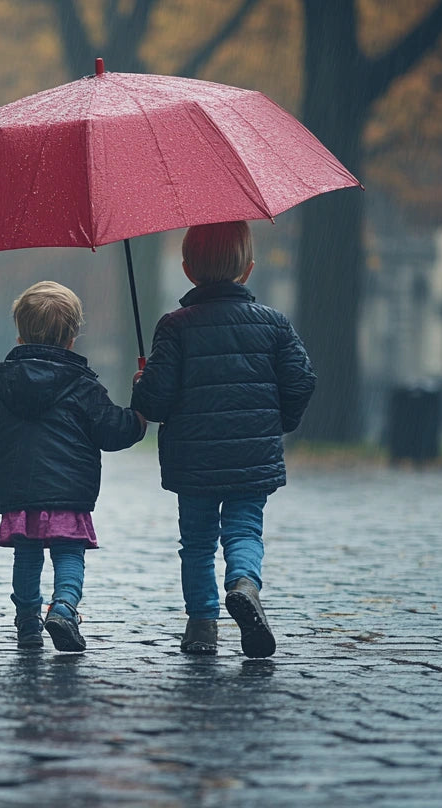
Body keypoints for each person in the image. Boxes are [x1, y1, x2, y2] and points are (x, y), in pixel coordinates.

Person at [131, 221, 316, 658]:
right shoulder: (274, 324)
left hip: (192, 459)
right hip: (252, 453)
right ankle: (245, 584)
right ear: (248, 268)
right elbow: (301, 380)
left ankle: (201, 626)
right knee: (244, 528)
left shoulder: (174, 327)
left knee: (196, 543)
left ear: (187, 269)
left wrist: (142, 383)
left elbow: (155, 402)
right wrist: (278, 422)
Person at [0, 281, 147, 652]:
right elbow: (112, 429)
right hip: (70, 492)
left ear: (20, 337)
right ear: (71, 340)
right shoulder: (83, 386)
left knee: (26, 556)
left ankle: (27, 623)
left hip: (19, 490)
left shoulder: (0, 385)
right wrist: (140, 411)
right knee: (69, 553)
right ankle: (64, 608)